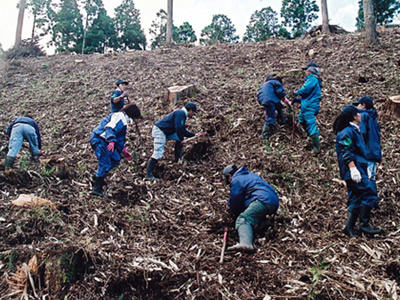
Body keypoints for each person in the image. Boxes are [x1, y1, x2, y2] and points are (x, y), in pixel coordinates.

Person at [333, 105, 381, 237]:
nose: (361, 115)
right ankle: (364, 224)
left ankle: (348, 228)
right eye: (358, 114)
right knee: (369, 192)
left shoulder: (353, 130)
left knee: (355, 196)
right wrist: (353, 169)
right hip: (355, 169)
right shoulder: (347, 132)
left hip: (359, 168)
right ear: (354, 116)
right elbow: (346, 152)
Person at [223, 164, 279, 253]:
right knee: (252, 217)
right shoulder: (249, 175)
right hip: (273, 202)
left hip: (261, 200)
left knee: (243, 219)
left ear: (229, 176)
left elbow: (235, 200)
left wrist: (234, 214)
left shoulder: (236, 179)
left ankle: (246, 243)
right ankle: (266, 223)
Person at [90, 103, 141, 197]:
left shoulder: (124, 121)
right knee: (104, 163)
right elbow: (110, 128)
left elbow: (120, 139)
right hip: (99, 139)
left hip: (106, 141)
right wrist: (112, 141)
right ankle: (97, 189)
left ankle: (98, 177)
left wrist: (124, 151)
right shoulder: (120, 117)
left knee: (116, 159)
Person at [146, 102, 203, 179]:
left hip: (166, 131)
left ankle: (177, 159)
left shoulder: (182, 114)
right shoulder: (181, 113)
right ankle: (149, 175)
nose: (193, 115)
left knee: (179, 138)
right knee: (158, 153)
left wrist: (193, 135)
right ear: (190, 110)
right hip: (160, 131)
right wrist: (182, 138)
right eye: (193, 113)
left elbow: (182, 130)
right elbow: (178, 128)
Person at [352, 96, 382, 198]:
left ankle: (369, 203)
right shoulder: (373, 117)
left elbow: (361, 133)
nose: (357, 107)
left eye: (359, 104)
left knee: (367, 178)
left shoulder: (363, 116)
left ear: (363, 105)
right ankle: (373, 202)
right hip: (374, 151)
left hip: (366, 152)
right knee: (371, 177)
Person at [293, 61, 323, 155]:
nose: (305, 71)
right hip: (307, 105)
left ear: (310, 70)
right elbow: (307, 96)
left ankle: (316, 148)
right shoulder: (311, 80)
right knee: (301, 119)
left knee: (310, 123)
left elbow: (305, 90)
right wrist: (297, 100)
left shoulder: (312, 79)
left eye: (306, 69)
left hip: (310, 107)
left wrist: (296, 92)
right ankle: (311, 136)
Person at [257, 75, 287, 139]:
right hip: (270, 99)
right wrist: (284, 96)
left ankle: (282, 120)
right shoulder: (276, 82)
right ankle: (265, 135)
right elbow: (279, 92)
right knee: (271, 117)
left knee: (279, 106)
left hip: (263, 99)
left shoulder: (266, 84)